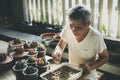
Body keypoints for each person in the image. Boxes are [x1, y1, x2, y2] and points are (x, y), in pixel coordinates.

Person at [52, 5, 108, 80]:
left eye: (78, 28)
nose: (73, 30)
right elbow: (60, 46)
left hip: (88, 75)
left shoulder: (96, 36)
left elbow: (104, 57)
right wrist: (57, 52)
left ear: (88, 24)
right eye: (71, 26)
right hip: (70, 72)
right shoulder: (68, 29)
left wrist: (90, 66)